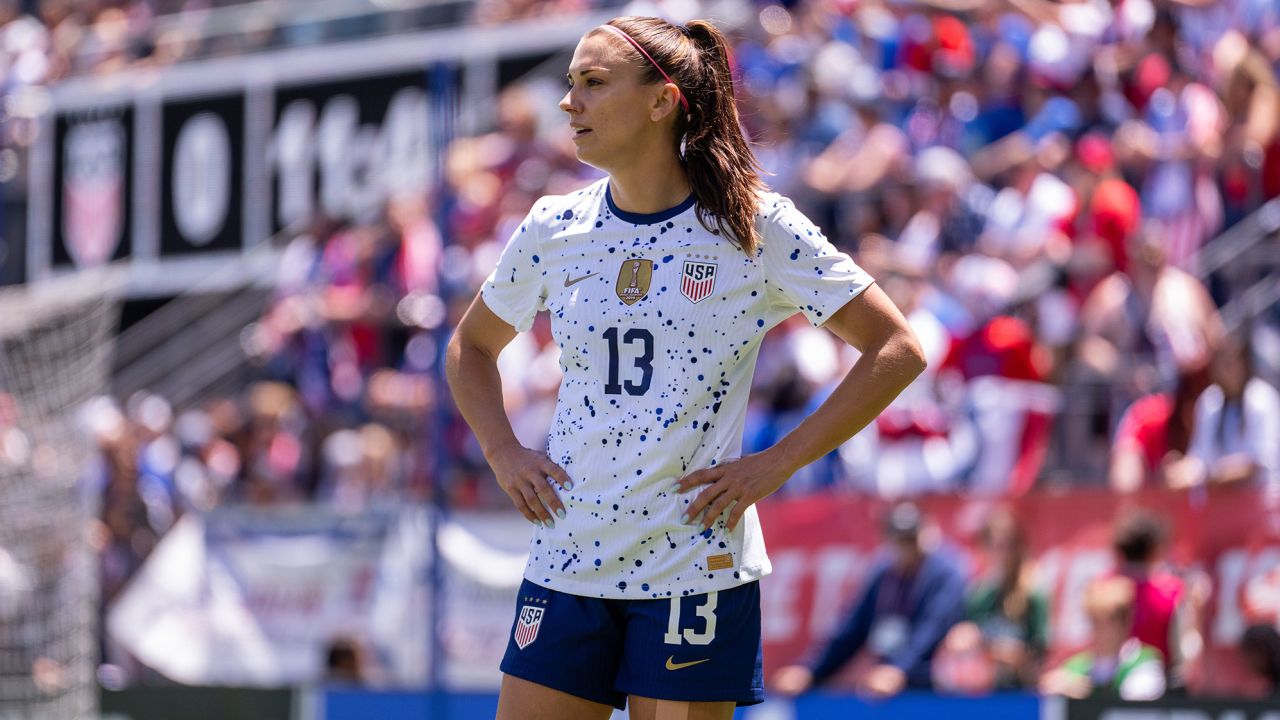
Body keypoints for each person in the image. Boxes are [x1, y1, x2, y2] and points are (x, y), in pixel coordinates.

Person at [445, 16, 927, 720]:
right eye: (570, 82)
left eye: (592, 83)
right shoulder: (553, 225)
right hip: (568, 558)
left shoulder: (754, 227)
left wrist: (776, 464)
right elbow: (470, 348)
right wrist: (502, 450)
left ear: (661, 100)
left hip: (692, 570)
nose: (567, 101)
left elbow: (897, 350)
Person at [770, 503, 967, 698]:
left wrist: (898, 670)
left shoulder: (946, 573)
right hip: (887, 685)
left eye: (911, 540)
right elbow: (850, 630)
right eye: (900, 541)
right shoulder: (883, 573)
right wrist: (809, 671)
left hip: (935, 689)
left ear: (927, 534)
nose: (906, 548)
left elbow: (930, 631)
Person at [938, 508, 1048, 692]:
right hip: (985, 692)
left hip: (1021, 691)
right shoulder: (980, 594)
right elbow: (967, 640)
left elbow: (1039, 651)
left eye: (1007, 545)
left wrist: (995, 649)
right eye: (993, 545)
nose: (1000, 553)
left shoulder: (1032, 592)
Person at [1041, 576, 1166, 701]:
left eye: (1110, 622)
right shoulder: (1076, 666)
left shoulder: (1144, 661)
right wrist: (1053, 687)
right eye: (1096, 622)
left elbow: (1137, 703)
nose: (1101, 632)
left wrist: (1087, 693)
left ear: (1126, 623)